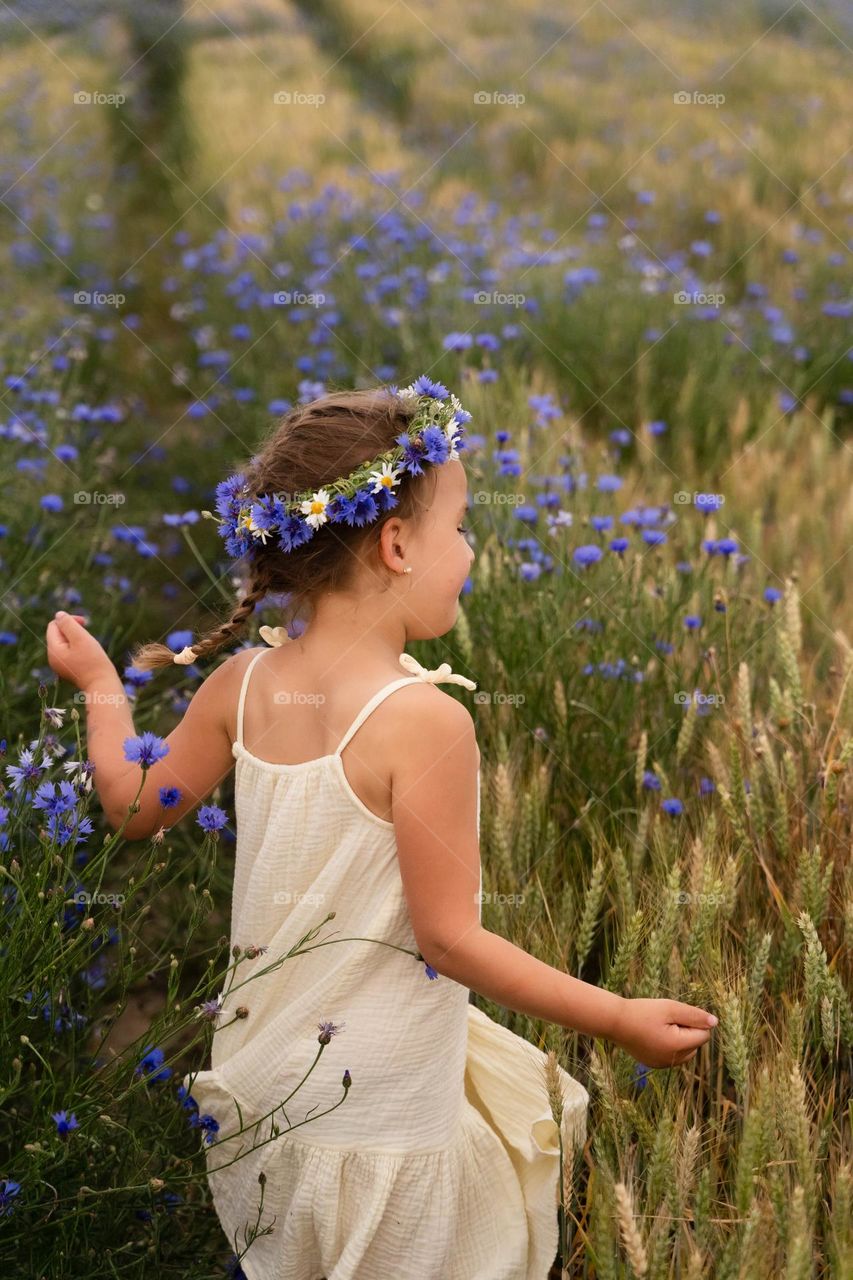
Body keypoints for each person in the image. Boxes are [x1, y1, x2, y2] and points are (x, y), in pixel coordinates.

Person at [45, 376, 718, 1280]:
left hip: (263, 1102)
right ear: (397, 543)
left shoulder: (240, 685)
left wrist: (100, 685)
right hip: (379, 1115)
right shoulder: (423, 722)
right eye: (462, 527)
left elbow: (133, 808)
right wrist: (620, 1018)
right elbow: (450, 938)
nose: (472, 551)